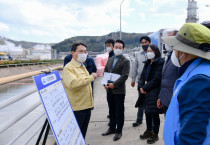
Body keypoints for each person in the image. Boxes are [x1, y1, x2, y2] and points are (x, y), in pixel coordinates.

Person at [162, 23, 210, 145]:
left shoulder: (198, 82)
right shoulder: (199, 71)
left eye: (175, 47)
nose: (174, 51)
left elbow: (191, 138)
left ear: (184, 51)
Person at [61, 42, 97, 138]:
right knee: (76, 136)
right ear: (72, 53)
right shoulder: (68, 68)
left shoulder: (82, 66)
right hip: (77, 108)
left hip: (86, 106)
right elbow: (73, 83)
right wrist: (91, 77)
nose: (84, 54)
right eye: (80, 51)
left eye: (85, 51)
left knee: (82, 134)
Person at [135, 44, 165, 144]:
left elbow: (156, 79)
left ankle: (155, 134)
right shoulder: (147, 63)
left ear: (156, 52)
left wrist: (144, 87)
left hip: (155, 91)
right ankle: (148, 130)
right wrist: (140, 86)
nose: (149, 52)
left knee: (154, 114)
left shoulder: (160, 63)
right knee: (147, 112)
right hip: (146, 92)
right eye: (147, 51)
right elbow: (142, 76)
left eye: (151, 51)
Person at [102, 40, 130, 141]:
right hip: (109, 90)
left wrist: (114, 84)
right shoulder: (110, 59)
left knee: (119, 111)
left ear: (123, 49)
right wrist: (105, 84)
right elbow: (105, 72)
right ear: (113, 48)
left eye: (120, 47)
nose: (117, 49)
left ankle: (119, 131)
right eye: (116, 47)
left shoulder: (125, 61)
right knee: (111, 110)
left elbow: (125, 75)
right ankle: (112, 128)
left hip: (119, 91)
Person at [157, 30, 179, 115]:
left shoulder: (179, 58)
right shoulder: (169, 56)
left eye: (169, 39)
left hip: (173, 101)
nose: (166, 42)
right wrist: (160, 97)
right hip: (165, 99)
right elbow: (164, 79)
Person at [131, 36, 151, 127]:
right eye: (142, 43)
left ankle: (151, 123)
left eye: (146, 42)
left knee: (151, 103)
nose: (144, 44)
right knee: (141, 101)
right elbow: (135, 67)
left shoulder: (153, 53)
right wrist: (133, 79)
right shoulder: (138, 54)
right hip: (141, 82)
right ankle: (139, 120)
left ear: (149, 43)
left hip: (151, 82)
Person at [104, 39, 115, 120]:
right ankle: (111, 114)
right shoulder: (110, 54)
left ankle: (112, 117)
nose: (108, 47)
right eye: (107, 46)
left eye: (109, 45)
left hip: (113, 82)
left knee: (112, 102)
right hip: (109, 81)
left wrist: (107, 83)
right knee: (110, 101)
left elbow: (113, 71)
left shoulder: (114, 55)